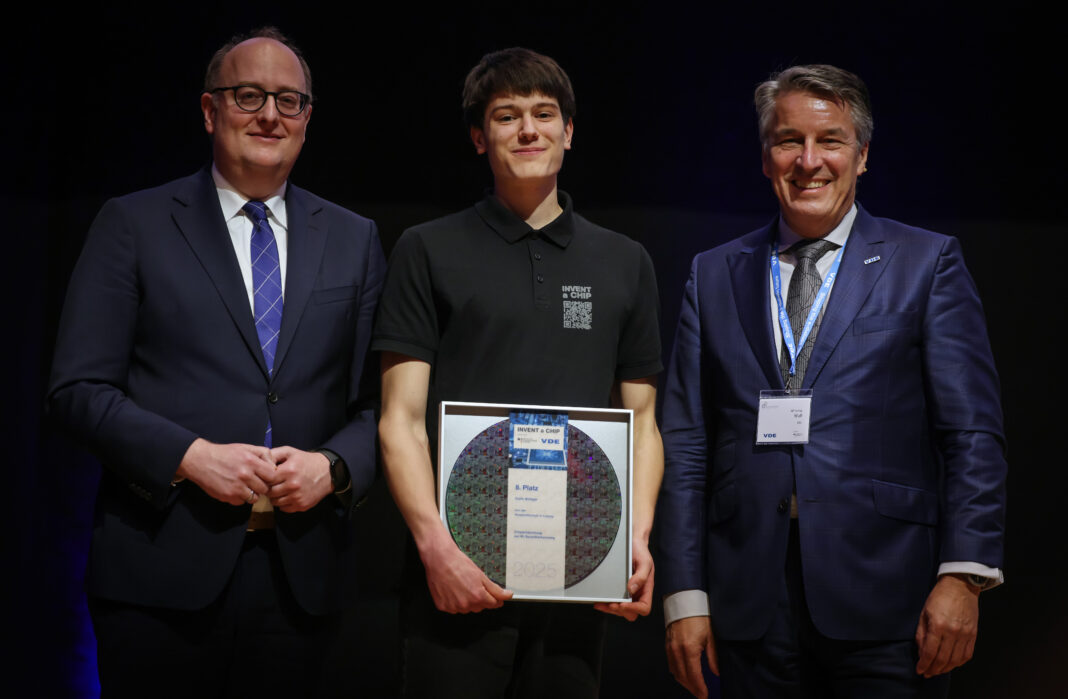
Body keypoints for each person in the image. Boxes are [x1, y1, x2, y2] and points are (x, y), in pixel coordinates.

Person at [47, 27, 384, 697]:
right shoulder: (134, 224)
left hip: (301, 579)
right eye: (248, 95)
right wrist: (189, 454)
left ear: (308, 119)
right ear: (209, 111)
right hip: (159, 575)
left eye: (289, 100)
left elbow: (380, 405)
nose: (269, 115)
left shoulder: (354, 237)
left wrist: (334, 465)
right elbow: (77, 389)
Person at [658, 64, 1007, 698]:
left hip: (892, 601)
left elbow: (972, 434)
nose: (809, 161)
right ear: (766, 157)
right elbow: (684, 445)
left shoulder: (927, 263)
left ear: (863, 155)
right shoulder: (713, 274)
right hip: (748, 604)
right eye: (789, 140)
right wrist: (685, 591)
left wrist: (964, 576)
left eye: (832, 141)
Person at [373, 47, 664, 698]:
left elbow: (643, 421)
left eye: (544, 113)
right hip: (456, 579)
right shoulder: (428, 248)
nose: (528, 129)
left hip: (580, 574)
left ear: (569, 130)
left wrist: (633, 540)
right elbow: (399, 419)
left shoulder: (625, 261)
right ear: (480, 137)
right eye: (507, 116)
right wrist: (435, 551)